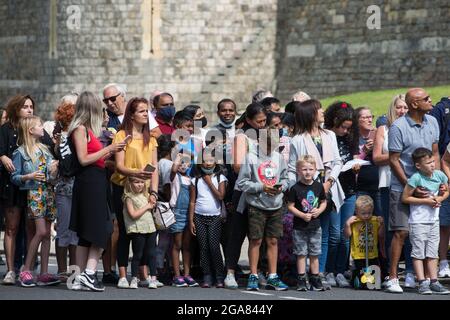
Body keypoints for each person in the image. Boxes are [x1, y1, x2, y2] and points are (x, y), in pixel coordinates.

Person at [69, 91, 126, 292]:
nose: (104, 112)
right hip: (89, 183)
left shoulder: (89, 130)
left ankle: (80, 277)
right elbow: (84, 159)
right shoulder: (79, 129)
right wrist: (109, 149)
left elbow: (95, 158)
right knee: (102, 229)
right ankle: (90, 274)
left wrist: (111, 159)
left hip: (96, 181)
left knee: (87, 233)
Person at [385, 88, 440, 294]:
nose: (431, 100)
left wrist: (440, 180)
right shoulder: (398, 127)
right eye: (426, 99)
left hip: (428, 188)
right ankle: (392, 277)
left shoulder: (433, 122)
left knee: (427, 234)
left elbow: (435, 153)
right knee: (401, 232)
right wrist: (412, 186)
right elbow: (393, 160)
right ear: (415, 104)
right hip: (402, 186)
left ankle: (428, 279)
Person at [288, 99, 345, 289]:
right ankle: (311, 275)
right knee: (312, 232)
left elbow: (337, 161)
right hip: (307, 191)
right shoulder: (298, 140)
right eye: (319, 109)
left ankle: (320, 272)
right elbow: (291, 167)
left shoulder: (329, 135)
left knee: (332, 233)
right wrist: (295, 189)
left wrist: (329, 182)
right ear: (310, 114)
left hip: (329, 186)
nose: (322, 112)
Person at [0, 95, 53, 285]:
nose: (29, 110)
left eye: (31, 106)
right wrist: (2, 156)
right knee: (12, 227)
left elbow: (50, 150)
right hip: (13, 185)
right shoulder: (6, 130)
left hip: (37, 190)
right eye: (25, 107)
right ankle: (11, 270)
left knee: (33, 230)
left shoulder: (38, 132)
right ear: (16, 109)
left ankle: (28, 267)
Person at [110, 97, 159, 289]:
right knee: (125, 232)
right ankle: (123, 274)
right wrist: (136, 173)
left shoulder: (151, 139)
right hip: (123, 188)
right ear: (131, 114)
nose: (146, 114)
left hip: (145, 191)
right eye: (141, 111)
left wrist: (154, 192)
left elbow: (154, 169)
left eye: (147, 111)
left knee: (146, 234)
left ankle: (141, 275)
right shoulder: (121, 136)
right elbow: (119, 166)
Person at [237, 128, 289, 291]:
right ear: (259, 141)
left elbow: (285, 178)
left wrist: (281, 187)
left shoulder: (278, 157)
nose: (270, 146)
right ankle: (253, 274)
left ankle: (272, 276)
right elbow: (242, 182)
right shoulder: (251, 157)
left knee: (273, 240)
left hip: (276, 204)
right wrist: (262, 187)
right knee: (256, 240)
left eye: (273, 143)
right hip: (257, 205)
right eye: (268, 143)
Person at [11, 116, 60, 287]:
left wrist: (54, 169)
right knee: (40, 231)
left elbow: (52, 175)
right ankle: (25, 269)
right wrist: (28, 176)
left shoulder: (45, 149)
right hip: (34, 193)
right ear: (31, 130)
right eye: (40, 125)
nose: (42, 128)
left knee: (47, 233)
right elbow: (14, 177)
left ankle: (44, 273)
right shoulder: (21, 152)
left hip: (48, 192)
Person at [224, 102, 266, 289]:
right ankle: (230, 272)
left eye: (265, 120)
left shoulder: (265, 136)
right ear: (248, 120)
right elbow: (237, 165)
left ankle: (258, 271)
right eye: (259, 121)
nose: (263, 124)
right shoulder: (241, 138)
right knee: (238, 233)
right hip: (243, 190)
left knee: (259, 235)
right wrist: (260, 168)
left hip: (263, 191)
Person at [401, 148, 450, 294]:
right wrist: (426, 202)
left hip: (433, 220)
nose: (432, 165)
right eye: (428, 163)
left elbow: (447, 190)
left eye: (433, 161)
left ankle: (434, 281)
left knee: (432, 253)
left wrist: (440, 198)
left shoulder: (440, 175)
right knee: (418, 253)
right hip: (418, 221)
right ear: (418, 166)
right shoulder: (416, 178)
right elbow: (405, 198)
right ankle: (422, 282)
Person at [323, 101, 359, 288]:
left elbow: (352, 157)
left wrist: (356, 165)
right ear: (334, 121)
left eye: (348, 128)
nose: (346, 131)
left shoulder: (350, 137)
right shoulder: (326, 136)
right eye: (343, 127)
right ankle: (328, 270)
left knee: (346, 234)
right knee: (334, 234)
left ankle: (339, 271)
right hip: (334, 189)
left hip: (349, 189)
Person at [373, 94, 408, 264]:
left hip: (410, 182)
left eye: (405, 107)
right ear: (392, 109)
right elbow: (377, 157)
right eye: (399, 107)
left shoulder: (412, 128)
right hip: (387, 182)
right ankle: (388, 269)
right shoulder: (384, 129)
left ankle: (410, 269)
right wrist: (395, 156)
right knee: (390, 227)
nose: (402, 111)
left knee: (410, 227)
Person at [287, 155, 328, 291]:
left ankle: (315, 278)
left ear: (315, 170)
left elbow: (323, 202)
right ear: (298, 171)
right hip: (300, 227)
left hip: (315, 226)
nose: (308, 172)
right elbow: (290, 206)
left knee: (315, 253)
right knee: (301, 253)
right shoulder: (295, 188)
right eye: (304, 169)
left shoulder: (318, 187)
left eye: (311, 169)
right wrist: (302, 215)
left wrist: (319, 211)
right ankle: (301, 279)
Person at [189, 147, 227, 288]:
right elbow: (192, 201)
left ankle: (219, 275)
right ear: (200, 163)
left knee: (214, 246)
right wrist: (190, 220)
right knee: (203, 247)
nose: (208, 163)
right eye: (205, 161)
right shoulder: (195, 180)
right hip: (199, 216)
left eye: (211, 160)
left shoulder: (220, 177)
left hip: (215, 217)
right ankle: (207, 275)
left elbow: (221, 196)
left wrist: (209, 182)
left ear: (216, 162)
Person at [53, 101, 79, 281]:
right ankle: (66, 270)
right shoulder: (64, 137)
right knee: (66, 231)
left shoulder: (69, 136)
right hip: (68, 188)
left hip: (69, 188)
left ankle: (69, 270)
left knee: (71, 232)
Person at [122, 177, 159, 289]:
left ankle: (153, 278)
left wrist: (153, 201)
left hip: (150, 228)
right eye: (136, 182)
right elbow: (133, 214)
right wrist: (147, 206)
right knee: (137, 255)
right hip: (138, 229)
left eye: (142, 182)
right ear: (130, 183)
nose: (140, 185)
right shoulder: (128, 197)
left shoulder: (146, 195)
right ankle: (134, 278)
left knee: (152, 254)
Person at [169, 151, 198, 287]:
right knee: (177, 244)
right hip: (177, 213)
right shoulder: (174, 177)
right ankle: (177, 275)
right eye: (181, 162)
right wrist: (179, 156)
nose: (183, 165)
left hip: (189, 213)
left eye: (186, 163)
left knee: (187, 246)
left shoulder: (191, 180)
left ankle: (187, 273)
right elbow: (174, 169)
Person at [344, 195, 386, 289]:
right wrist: (347, 224)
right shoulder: (354, 221)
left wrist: (382, 224)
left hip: (372, 253)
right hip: (359, 254)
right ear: (356, 211)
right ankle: (356, 280)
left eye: (369, 213)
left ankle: (374, 282)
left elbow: (381, 235)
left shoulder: (374, 220)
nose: (367, 216)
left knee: (374, 270)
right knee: (360, 271)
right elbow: (347, 235)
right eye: (363, 213)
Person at [429, 94, 450, 277]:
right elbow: (444, 159)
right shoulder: (440, 110)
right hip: (446, 183)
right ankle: (443, 262)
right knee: (444, 224)